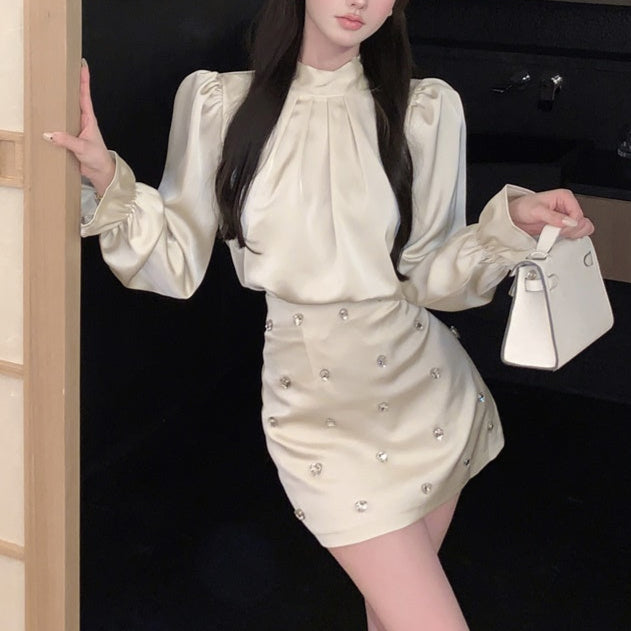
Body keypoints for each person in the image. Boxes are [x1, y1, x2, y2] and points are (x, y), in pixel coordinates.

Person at [46, 1, 594, 629]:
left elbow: (429, 274)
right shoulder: (218, 104)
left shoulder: (425, 110)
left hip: (427, 399)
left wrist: (512, 223)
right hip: (315, 414)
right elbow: (174, 261)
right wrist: (106, 177)